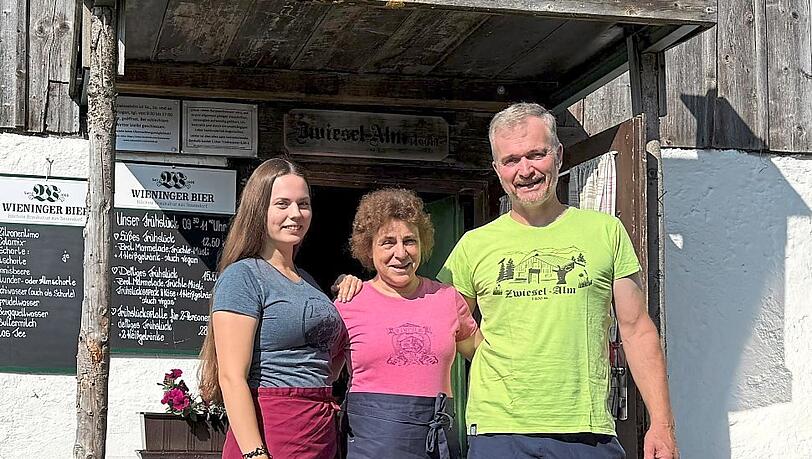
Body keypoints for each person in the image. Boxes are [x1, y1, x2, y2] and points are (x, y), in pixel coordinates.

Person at [435, 102, 678, 459]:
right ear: (497, 170)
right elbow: (439, 321)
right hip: (499, 431)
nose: (525, 170)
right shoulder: (475, 245)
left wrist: (662, 424)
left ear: (559, 155)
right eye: (511, 160)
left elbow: (637, 329)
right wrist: (482, 350)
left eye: (536, 154)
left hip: (587, 431)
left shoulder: (605, 231)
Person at [198, 158, 347, 459]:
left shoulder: (309, 282)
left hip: (318, 431)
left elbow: (327, 361)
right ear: (259, 209)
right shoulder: (243, 276)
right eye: (282, 204)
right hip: (272, 429)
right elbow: (231, 377)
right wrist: (255, 454)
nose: (296, 214)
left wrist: (350, 291)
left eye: (303, 204)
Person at [336, 188, 482, 459]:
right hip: (371, 443)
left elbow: (485, 358)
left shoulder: (447, 298)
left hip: (436, 441)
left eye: (410, 241)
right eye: (388, 242)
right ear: (368, 247)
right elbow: (324, 376)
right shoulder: (348, 303)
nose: (401, 253)